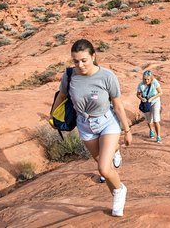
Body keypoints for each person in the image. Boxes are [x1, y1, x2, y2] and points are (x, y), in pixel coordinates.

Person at [50, 39, 132, 217]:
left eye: (84, 60)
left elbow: (117, 105)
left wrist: (127, 130)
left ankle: (120, 191)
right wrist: (54, 116)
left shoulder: (107, 76)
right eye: (75, 61)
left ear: (93, 57)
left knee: (103, 169)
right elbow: (62, 95)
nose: (80, 65)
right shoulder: (70, 75)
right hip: (85, 125)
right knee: (105, 167)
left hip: (107, 122)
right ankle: (116, 191)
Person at [137, 70, 163, 143]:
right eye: (145, 79)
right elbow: (138, 94)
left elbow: (160, 92)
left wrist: (152, 98)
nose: (146, 81)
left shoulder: (155, 82)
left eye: (148, 79)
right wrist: (141, 98)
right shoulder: (141, 85)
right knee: (149, 120)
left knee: (156, 119)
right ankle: (151, 130)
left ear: (151, 78)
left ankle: (158, 136)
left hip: (155, 101)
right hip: (146, 103)